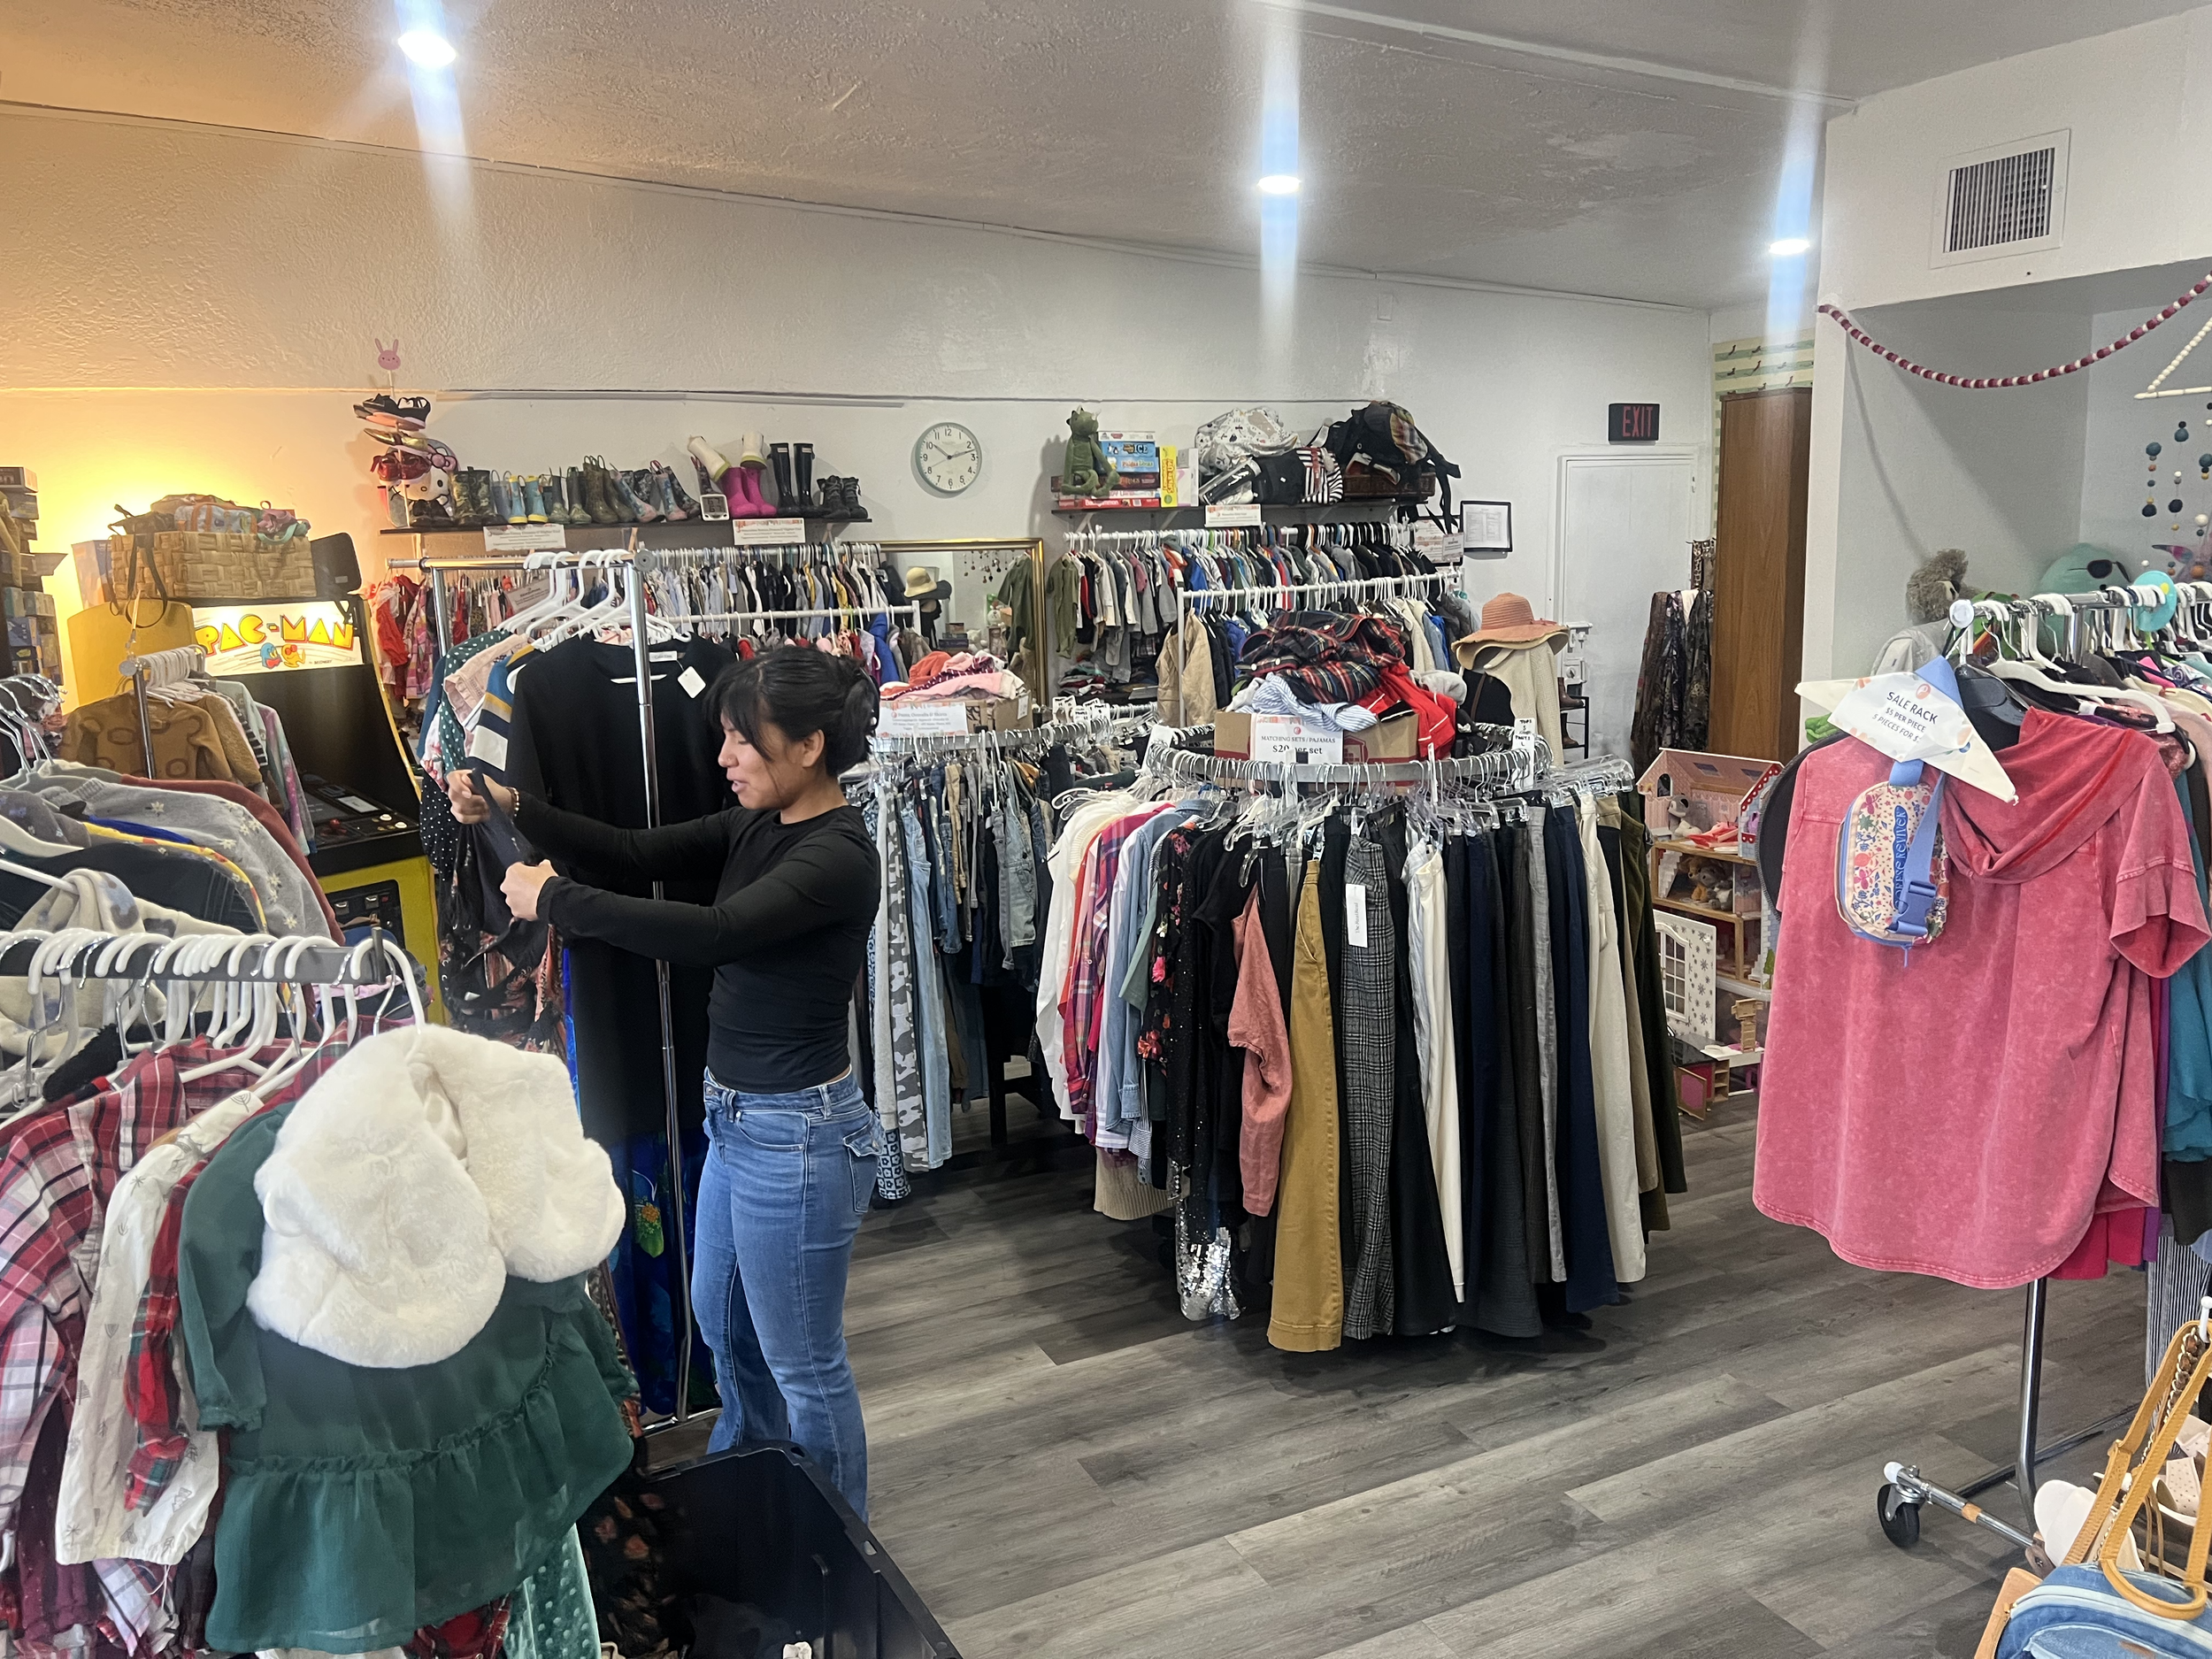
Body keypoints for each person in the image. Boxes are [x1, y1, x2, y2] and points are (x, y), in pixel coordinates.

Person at [447, 648, 884, 1515]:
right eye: (722, 735)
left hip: (796, 1137)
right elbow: (634, 849)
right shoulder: (761, 822)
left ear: (808, 746)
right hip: (735, 1120)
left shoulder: (838, 854)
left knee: (804, 1363)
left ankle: (840, 1553)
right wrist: (513, 802)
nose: (723, 757)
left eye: (741, 740)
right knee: (721, 1327)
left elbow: (716, 931)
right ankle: (755, 1485)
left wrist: (555, 901)